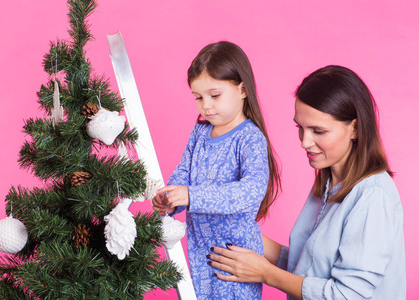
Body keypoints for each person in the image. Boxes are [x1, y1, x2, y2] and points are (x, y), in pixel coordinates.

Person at [208, 65, 406, 299]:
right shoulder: (329, 182)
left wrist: (266, 274)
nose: (304, 141)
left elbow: (347, 295)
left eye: (318, 131)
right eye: (299, 127)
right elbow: (312, 268)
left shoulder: (373, 195)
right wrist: (245, 235)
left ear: (355, 128)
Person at [152, 41, 281, 299]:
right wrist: (170, 199)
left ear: (242, 89)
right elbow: (183, 173)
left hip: (236, 256)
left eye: (214, 95)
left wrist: (192, 196)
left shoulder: (250, 138)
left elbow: (251, 191)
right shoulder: (200, 133)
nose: (206, 106)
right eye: (198, 97)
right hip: (201, 251)